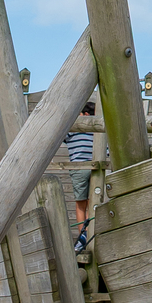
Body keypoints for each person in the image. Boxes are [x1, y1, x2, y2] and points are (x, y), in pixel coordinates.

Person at [63, 101, 97, 251]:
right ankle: (91, 234)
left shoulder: (73, 129)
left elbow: (61, 136)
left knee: (80, 204)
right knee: (92, 202)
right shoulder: (97, 130)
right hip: (96, 167)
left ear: (84, 115)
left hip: (78, 168)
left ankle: (82, 237)